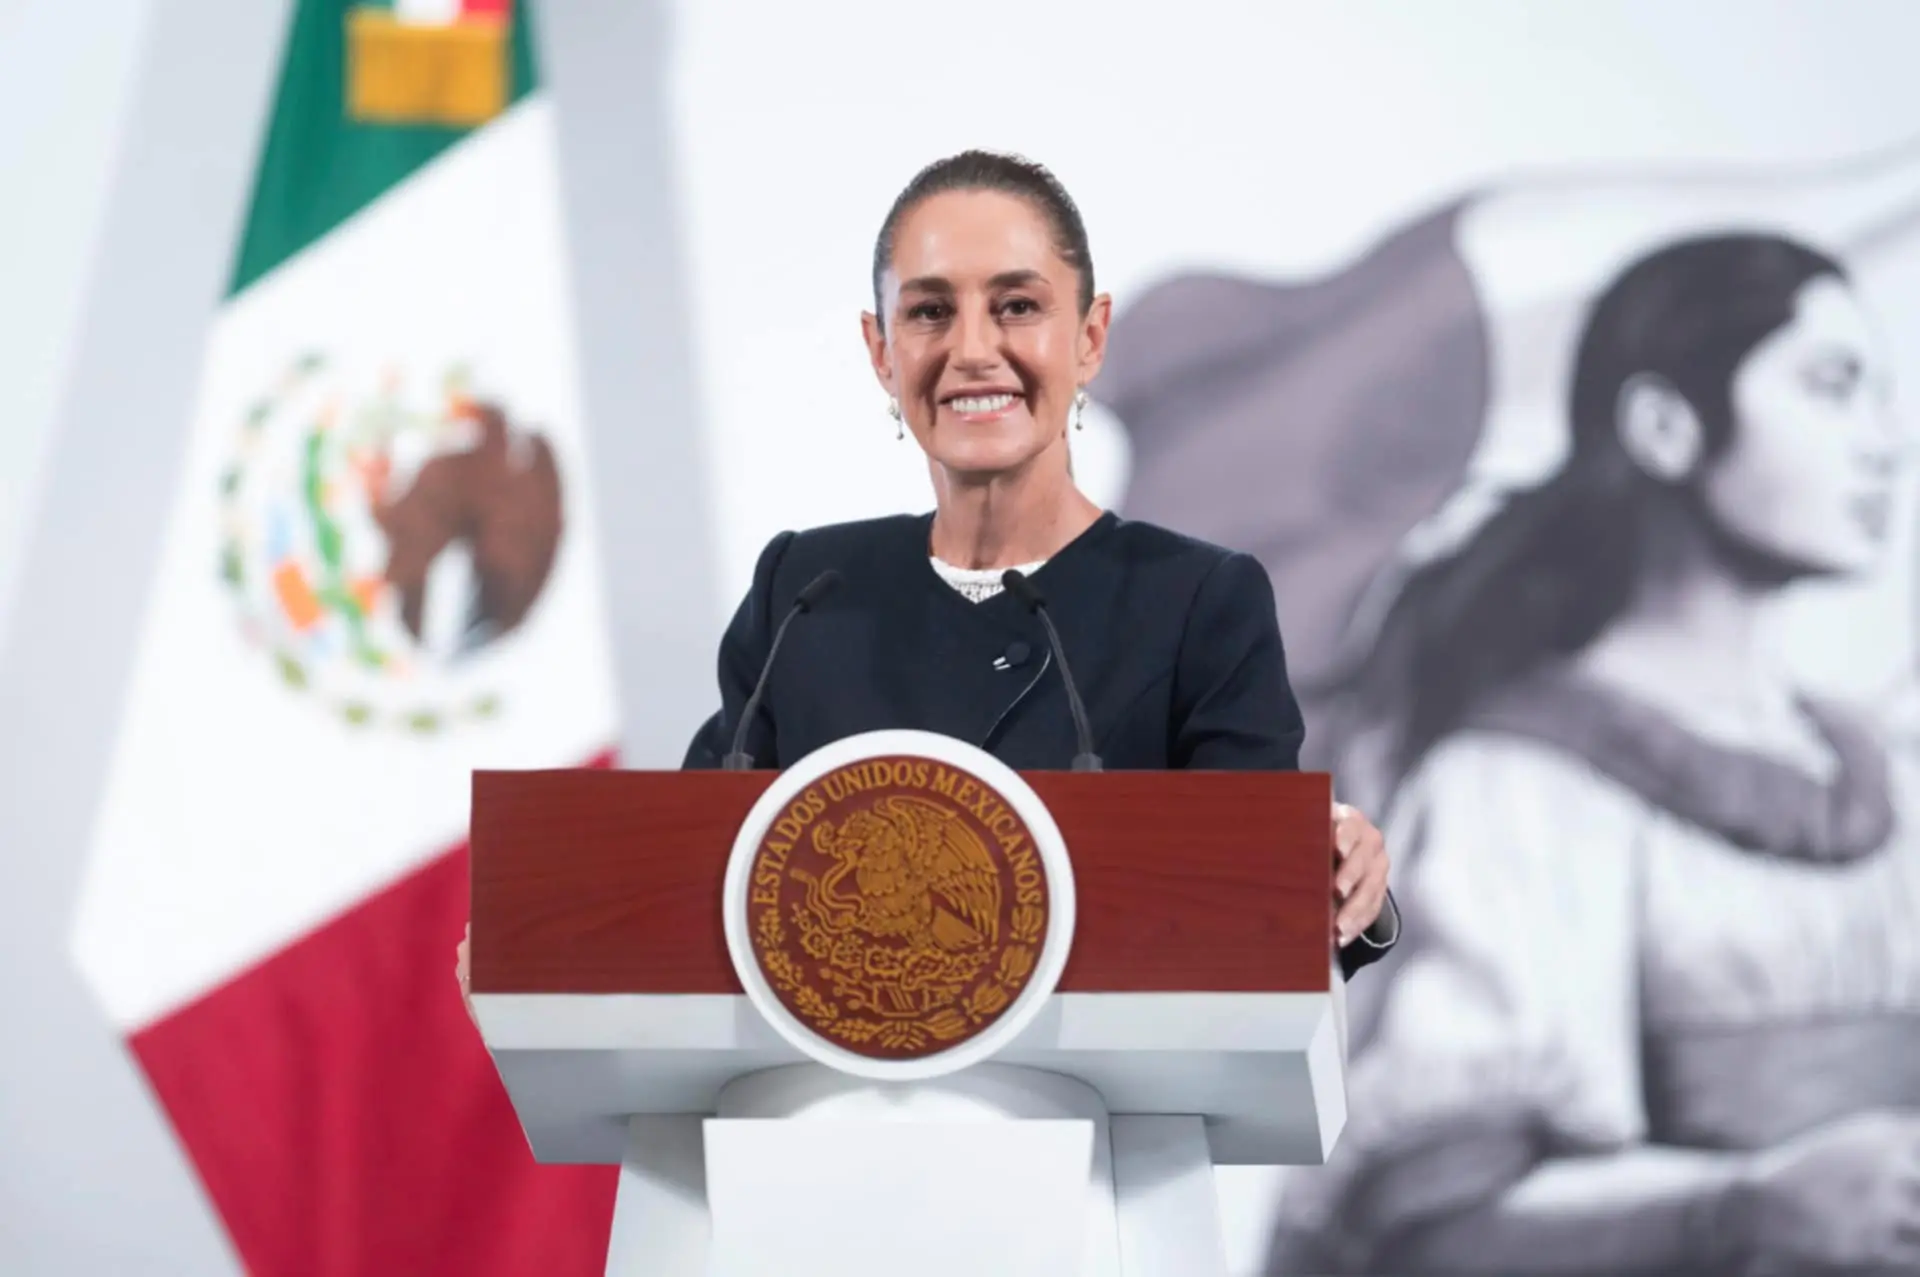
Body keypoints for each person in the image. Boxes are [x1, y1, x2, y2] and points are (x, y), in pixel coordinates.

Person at [456, 151, 1398, 1012]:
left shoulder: (1200, 601)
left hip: (1099, 1163)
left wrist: (1339, 878)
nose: (973, 348)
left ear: (1091, 337)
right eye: (930, 310)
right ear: (882, 351)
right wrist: (537, 944)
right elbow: (692, 883)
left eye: (1018, 305)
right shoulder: (807, 591)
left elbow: (1257, 908)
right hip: (821, 1147)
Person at [1267, 232, 1920, 1275]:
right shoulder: (1521, 787)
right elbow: (1431, 1221)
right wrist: (1747, 1206)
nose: (1887, 442)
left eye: (1883, 394)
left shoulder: (1890, 776)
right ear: (1665, 426)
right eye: (1833, 387)